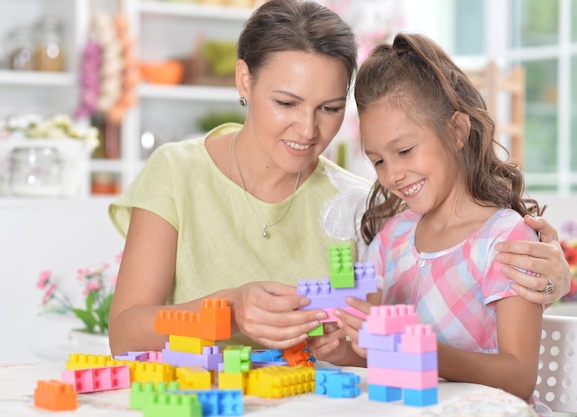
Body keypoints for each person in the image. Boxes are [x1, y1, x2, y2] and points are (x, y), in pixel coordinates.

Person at [107, 0, 570, 358]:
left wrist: (552, 277)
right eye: (286, 103)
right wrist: (228, 310)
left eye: (329, 109)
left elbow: (444, 278)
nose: (308, 131)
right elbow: (125, 333)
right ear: (244, 81)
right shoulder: (176, 172)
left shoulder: (359, 203)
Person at [306, 33, 550, 413]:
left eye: (404, 151)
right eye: (379, 161)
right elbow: (379, 355)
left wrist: (423, 348)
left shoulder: (504, 240)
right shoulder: (391, 240)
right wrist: (346, 350)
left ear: (456, 131)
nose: (393, 174)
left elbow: (519, 377)